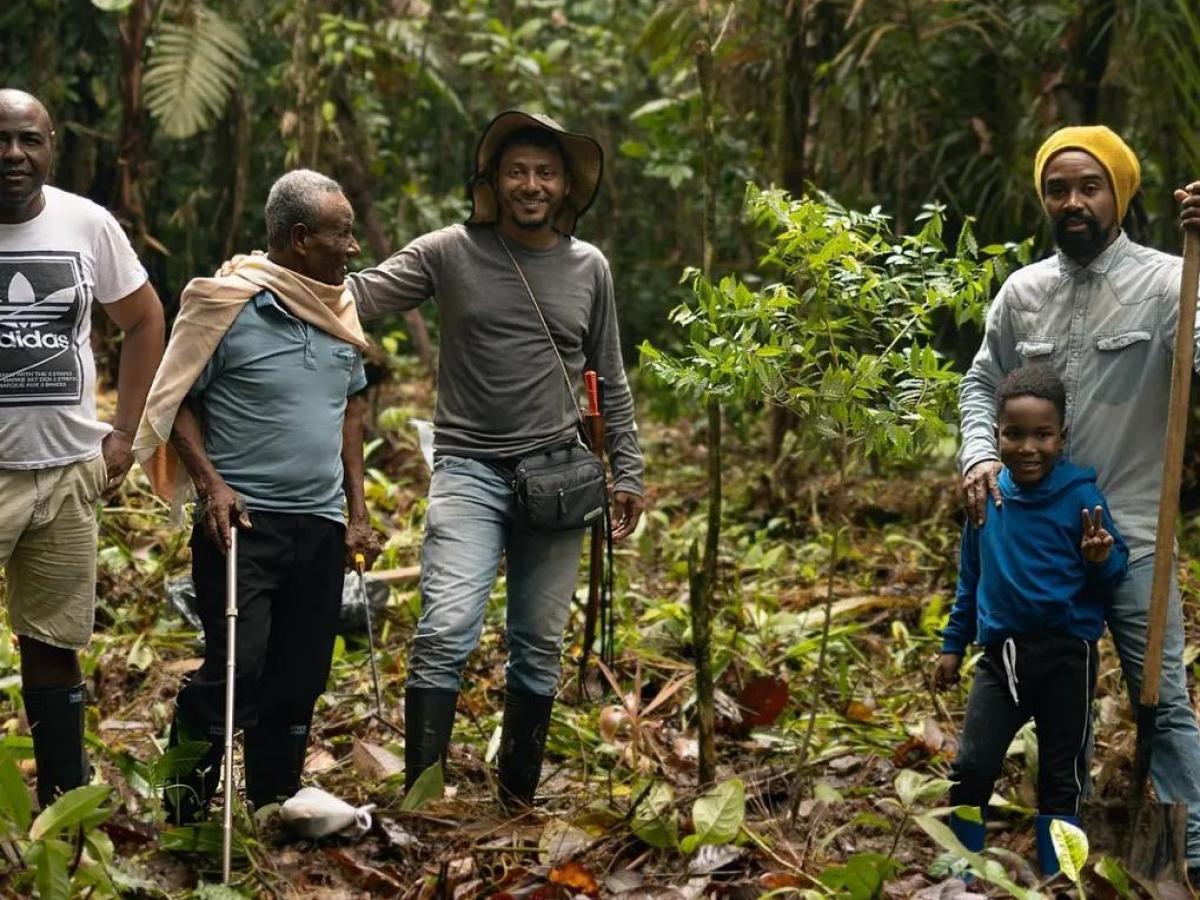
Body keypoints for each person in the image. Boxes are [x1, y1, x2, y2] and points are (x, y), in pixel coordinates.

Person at [346, 110, 646, 807]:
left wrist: (628, 469)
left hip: (559, 476)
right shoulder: (448, 251)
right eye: (517, 172)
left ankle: (515, 803)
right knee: (447, 628)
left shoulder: (589, 267)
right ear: (493, 181)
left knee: (539, 643)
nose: (531, 185)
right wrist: (265, 275)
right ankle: (422, 799)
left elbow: (608, 374)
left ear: (566, 186)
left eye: (545, 173)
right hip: (468, 469)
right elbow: (356, 294)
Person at [958, 125, 1200, 879]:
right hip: (1034, 544)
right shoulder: (1023, 293)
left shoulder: (1171, 282)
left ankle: (1191, 852)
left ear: (1117, 194)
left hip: (1134, 533)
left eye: (1089, 187)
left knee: (1163, 701)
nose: (1072, 201)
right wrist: (980, 453)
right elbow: (980, 382)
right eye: (1057, 189)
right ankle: (1070, 849)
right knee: (1064, 704)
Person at [133, 170, 380, 822]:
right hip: (241, 524)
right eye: (341, 233)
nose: (352, 247)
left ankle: (274, 802)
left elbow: (352, 410)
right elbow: (177, 400)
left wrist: (357, 513)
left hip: (320, 524)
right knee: (236, 669)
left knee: (301, 673)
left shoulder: (337, 308)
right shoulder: (226, 305)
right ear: (299, 238)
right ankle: (184, 811)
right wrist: (212, 486)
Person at [0, 88, 164, 806]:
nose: (13, 154)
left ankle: (62, 807)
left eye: (29, 140)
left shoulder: (87, 224)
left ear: (52, 149)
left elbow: (145, 320)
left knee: (52, 642)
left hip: (65, 472)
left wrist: (124, 433)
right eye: (1, 140)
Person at [936, 366, 1127, 876]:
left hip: (1067, 656)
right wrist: (953, 645)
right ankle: (962, 869)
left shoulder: (1081, 498)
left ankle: (1059, 876)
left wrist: (1098, 558)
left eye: (1042, 435)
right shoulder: (986, 497)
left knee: (1062, 774)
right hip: (1000, 660)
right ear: (996, 435)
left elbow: (1113, 572)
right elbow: (970, 578)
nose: (1027, 447)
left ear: (1061, 437)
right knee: (972, 765)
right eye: (1013, 434)